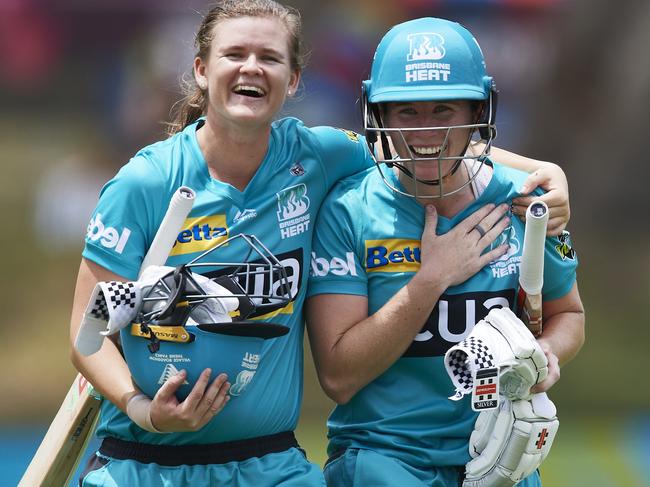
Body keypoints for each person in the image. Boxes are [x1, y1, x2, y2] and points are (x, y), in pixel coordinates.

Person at [69, 2, 573, 485]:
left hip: (268, 462)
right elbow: (87, 334)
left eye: (269, 57)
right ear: (201, 69)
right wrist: (144, 411)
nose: (252, 67)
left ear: (293, 80)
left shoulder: (317, 156)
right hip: (147, 457)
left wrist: (543, 172)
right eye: (235, 54)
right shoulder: (145, 182)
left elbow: (423, 142)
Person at [306, 17, 585, 487]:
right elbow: (339, 376)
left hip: (503, 453)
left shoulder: (526, 200)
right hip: (383, 457)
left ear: (479, 110)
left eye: (444, 110)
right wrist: (431, 279)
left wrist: (546, 352)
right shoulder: (348, 209)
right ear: (379, 115)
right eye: (406, 112)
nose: (425, 131)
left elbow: (569, 314)